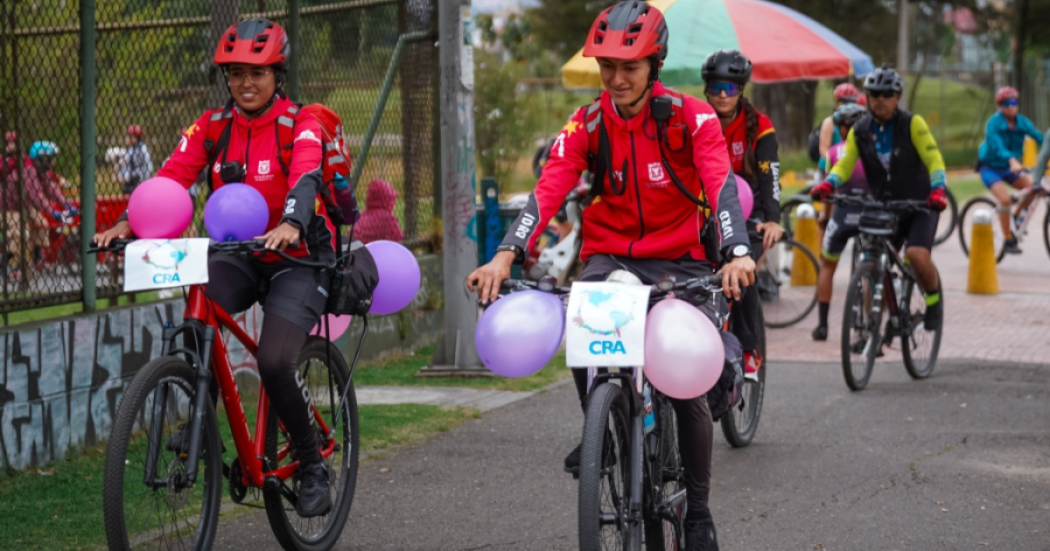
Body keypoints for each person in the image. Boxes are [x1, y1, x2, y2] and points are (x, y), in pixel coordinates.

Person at [468, 3, 755, 549]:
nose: (617, 79)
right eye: (607, 67)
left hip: (683, 260)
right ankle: (606, 427)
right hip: (612, 257)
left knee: (686, 381)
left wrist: (737, 250)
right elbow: (550, 186)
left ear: (655, 64)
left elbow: (720, 182)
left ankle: (698, 511)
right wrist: (506, 253)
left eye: (630, 67)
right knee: (586, 326)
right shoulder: (588, 122)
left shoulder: (690, 117)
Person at [94, 18, 344, 518]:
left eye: (257, 73)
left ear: (279, 73)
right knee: (195, 317)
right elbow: (171, 176)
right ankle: (202, 415)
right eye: (234, 74)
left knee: (274, 362)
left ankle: (314, 465)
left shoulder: (302, 124)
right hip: (240, 253)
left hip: (300, 257)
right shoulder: (212, 126)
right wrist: (129, 220)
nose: (245, 84)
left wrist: (293, 221)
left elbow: (306, 175)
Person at [811, 64, 947, 333]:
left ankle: (934, 302)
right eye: (875, 94)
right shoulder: (860, 129)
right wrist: (828, 183)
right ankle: (873, 328)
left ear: (897, 97)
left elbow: (934, 159)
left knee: (917, 255)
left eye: (887, 94)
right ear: (868, 97)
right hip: (886, 204)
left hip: (921, 203)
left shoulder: (912, 123)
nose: (880, 100)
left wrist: (938, 189)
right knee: (872, 263)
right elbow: (845, 164)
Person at [701, 49, 782, 381]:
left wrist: (773, 218)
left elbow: (770, 176)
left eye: (731, 88)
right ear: (706, 88)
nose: (723, 94)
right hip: (705, 210)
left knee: (741, 271)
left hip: (752, 215)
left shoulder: (759, 126)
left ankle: (749, 349)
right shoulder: (695, 119)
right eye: (717, 87)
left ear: (742, 91)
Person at [811, 103, 869, 341]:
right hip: (869, 214)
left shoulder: (833, 153)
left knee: (827, 266)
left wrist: (825, 217)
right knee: (873, 267)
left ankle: (822, 325)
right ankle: (869, 325)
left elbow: (828, 192)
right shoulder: (874, 149)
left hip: (843, 214)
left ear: (844, 128)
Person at [976, 86, 1044, 254]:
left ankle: (1015, 217)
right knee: (1005, 200)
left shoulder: (1022, 122)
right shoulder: (993, 124)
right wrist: (1012, 160)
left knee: (1032, 189)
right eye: (1007, 103)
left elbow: (1040, 138)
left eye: (1015, 102)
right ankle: (1007, 239)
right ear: (1000, 106)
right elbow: (997, 146)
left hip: (1010, 167)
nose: (1012, 106)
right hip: (990, 166)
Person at [354, 179, 404, 244]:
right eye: (392, 200)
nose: (394, 204)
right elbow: (398, 238)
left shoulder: (363, 214)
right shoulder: (386, 217)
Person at [117, 124, 154, 195]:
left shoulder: (139, 150)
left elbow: (141, 169)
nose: (126, 138)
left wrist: (125, 177)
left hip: (137, 183)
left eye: (128, 136)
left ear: (134, 137)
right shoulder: (133, 149)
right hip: (134, 182)